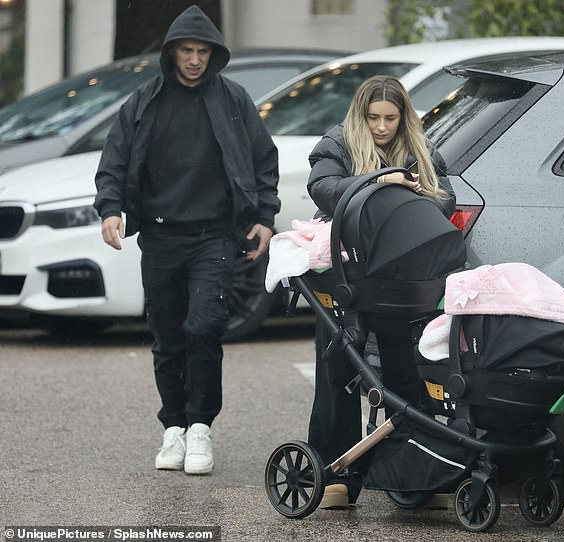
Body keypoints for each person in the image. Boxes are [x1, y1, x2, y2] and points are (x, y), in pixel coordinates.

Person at [93, 5, 279, 475]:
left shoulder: (232, 99)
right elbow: (114, 159)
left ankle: (200, 428)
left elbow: (263, 158)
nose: (194, 59)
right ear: (172, 52)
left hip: (214, 235)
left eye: (202, 51)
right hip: (159, 235)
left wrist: (264, 216)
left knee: (204, 326)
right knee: (168, 336)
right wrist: (110, 208)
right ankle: (172, 428)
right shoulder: (144, 101)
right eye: (186, 50)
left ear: (213, 55)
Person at [306, 75, 455, 508]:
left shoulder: (421, 147)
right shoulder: (337, 142)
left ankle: (417, 475)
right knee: (338, 370)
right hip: (345, 273)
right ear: (360, 115)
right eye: (373, 118)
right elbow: (323, 187)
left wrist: (418, 197)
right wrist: (380, 184)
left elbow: (446, 197)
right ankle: (337, 474)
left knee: (406, 368)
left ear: (403, 116)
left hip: (398, 273)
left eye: (391, 118)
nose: (382, 127)